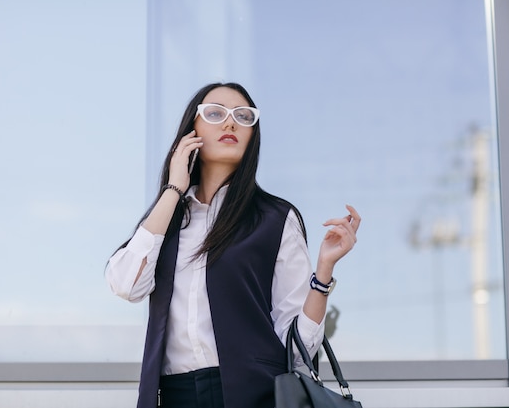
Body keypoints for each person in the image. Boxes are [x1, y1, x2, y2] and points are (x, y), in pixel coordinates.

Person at [106, 82, 361, 408]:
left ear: (253, 134)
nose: (230, 123)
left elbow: (297, 350)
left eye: (243, 116)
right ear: (191, 130)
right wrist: (173, 189)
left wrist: (323, 272)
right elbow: (126, 285)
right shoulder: (167, 219)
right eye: (215, 113)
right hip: (172, 396)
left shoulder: (275, 218)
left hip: (252, 396)